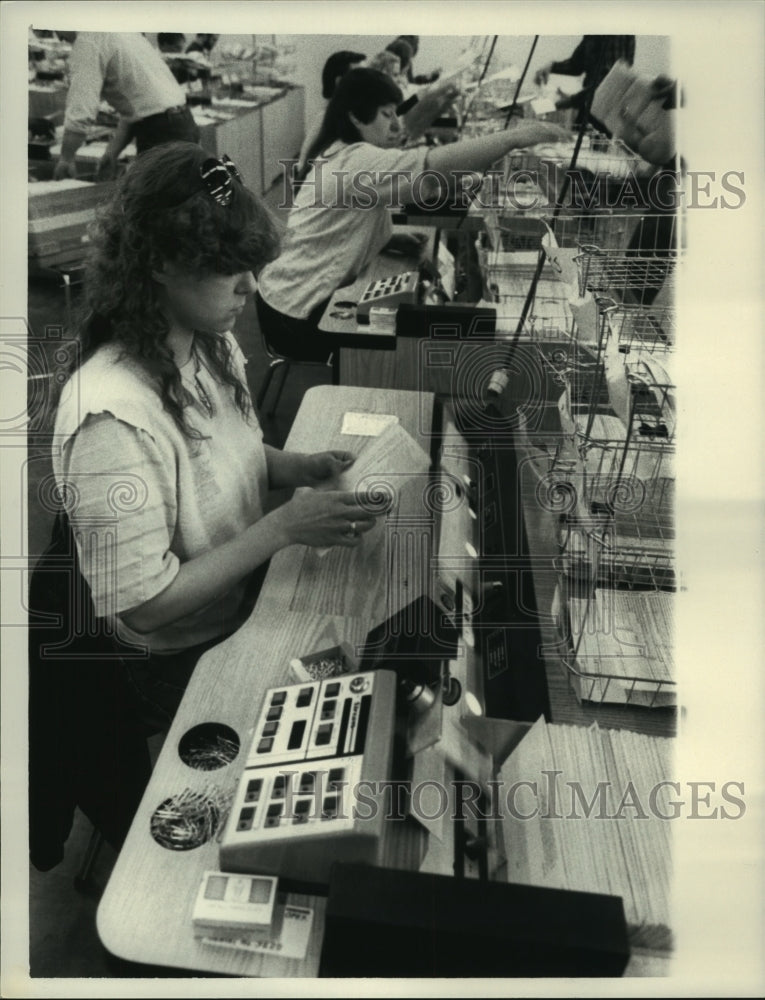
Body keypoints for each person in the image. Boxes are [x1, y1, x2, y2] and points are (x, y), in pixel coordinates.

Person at [51, 141, 379, 726]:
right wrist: (281, 527)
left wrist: (294, 466)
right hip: (172, 660)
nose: (251, 287)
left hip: (235, 601)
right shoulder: (109, 417)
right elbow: (147, 607)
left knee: (368, 643)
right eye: (230, 268)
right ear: (159, 263)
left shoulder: (208, 343)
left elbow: (222, 455)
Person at [255, 68, 570, 363]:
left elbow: (356, 214)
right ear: (355, 116)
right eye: (386, 114)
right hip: (297, 316)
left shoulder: (339, 148)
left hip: (281, 300)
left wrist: (386, 237)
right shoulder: (356, 160)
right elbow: (431, 164)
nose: (394, 124)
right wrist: (511, 139)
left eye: (395, 113)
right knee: (406, 349)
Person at [53, 32, 200, 181]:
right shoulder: (122, 32)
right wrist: (111, 153)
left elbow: (81, 110)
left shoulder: (87, 41)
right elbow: (137, 107)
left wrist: (66, 158)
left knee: (158, 200)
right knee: (181, 196)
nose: (58, 36)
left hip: (162, 132)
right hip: (183, 123)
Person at [534, 35, 636, 126]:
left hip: (603, 113)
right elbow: (576, 65)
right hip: (589, 107)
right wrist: (551, 66)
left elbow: (610, 81)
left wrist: (569, 101)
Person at [296, 50, 367, 176]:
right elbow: (303, 173)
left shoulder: (339, 116)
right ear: (340, 83)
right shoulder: (327, 121)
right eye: (361, 79)